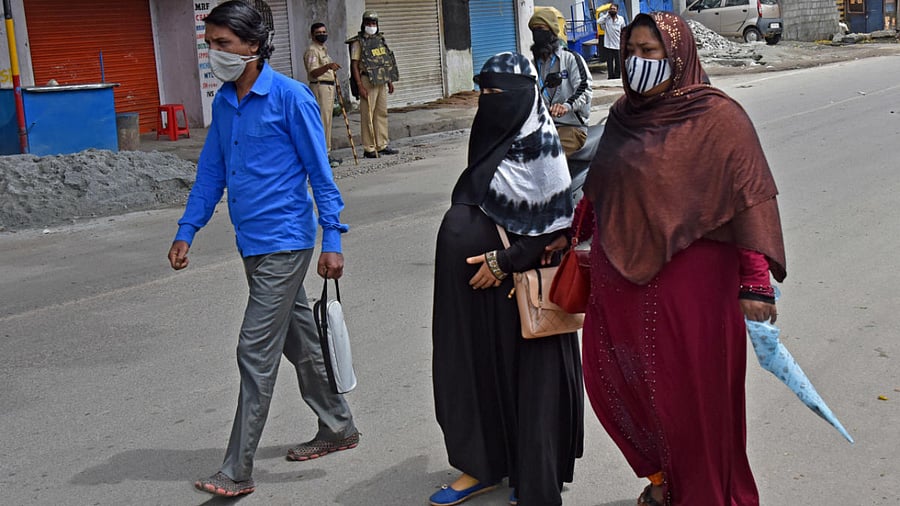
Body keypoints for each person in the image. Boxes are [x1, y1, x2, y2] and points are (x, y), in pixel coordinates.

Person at [577, 12, 786, 505]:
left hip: (691, 290)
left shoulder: (718, 118)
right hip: (621, 284)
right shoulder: (625, 115)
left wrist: (755, 282)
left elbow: (748, 200)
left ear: (678, 55)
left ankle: (705, 493)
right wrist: (571, 235)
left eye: (650, 52)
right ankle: (664, 480)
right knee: (621, 386)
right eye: (631, 50)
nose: (637, 61)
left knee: (692, 402)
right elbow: (601, 189)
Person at [167, 1, 359, 497]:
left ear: (253, 47)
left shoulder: (292, 98)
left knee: (254, 349)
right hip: (250, 243)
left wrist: (332, 238)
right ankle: (338, 425)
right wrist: (187, 230)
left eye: (223, 44)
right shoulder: (227, 103)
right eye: (209, 43)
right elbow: (211, 173)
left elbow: (322, 174)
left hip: (286, 242)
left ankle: (237, 469)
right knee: (299, 339)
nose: (214, 53)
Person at [430, 52, 584, 506]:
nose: (486, 101)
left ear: (522, 96)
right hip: (474, 304)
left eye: (496, 93)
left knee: (530, 387)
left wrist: (504, 262)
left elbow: (556, 231)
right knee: (472, 376)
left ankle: (531, 475)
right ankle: (481, 466)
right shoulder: (490, 145)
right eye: (483, 91)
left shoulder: (545, 152)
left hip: (521, 297)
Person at [528, 10, 592, 156]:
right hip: (544, 126)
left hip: (572, 127)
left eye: (541, 29)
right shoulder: (532, 65)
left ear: (552, 32)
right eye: (534, 30)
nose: (538, 34)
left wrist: (566, 106)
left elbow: (585, 88)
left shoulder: (571, 59)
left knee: (550, 157)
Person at [347, 10, 399, 158]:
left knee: (381, 113)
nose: (372, 26)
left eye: (374, 23)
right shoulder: (358, 42)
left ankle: (381, 144)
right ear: (363, 24)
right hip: (367, 81)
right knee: (367, 114)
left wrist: (389, 81)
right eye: (369, 23)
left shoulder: (380, 39)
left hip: (381, 80)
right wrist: (359, 85)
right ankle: (369, 148)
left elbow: (385, 61)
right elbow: (354, 65)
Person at [304, 22, 342, 167]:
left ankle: (326, 152)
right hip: (319, 88)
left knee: (328, 121)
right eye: (319, 32)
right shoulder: (312, 51)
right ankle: (323, 155)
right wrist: (327, 67)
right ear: (312, 35)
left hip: (328, 87)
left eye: (324, 32)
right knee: (322, 122)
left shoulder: (323, 49)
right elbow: (313, 72)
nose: (322, 34)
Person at [596, 2, 626, 79]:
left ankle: (617, 77)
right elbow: (598, 21)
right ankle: (610, 77)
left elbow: (623, 29)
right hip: (608, 45)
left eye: (614, 9)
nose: (612, 10)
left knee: (618, 63)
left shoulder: (621, 19)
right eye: (611, 9)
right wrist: (607, 15)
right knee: (609, 63)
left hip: (618, 44)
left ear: (617, 10)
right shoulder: (606, 19)